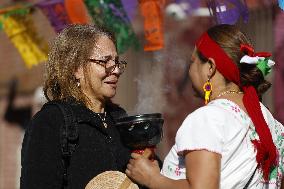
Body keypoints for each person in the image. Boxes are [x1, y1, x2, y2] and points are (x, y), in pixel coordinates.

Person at [125, 24, 284, 189]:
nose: (189, 70)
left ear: (210, 67)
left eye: (192, 62)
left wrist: (153, 179)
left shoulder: (208, 119)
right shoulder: (270, 122)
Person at [20, 24, 131, 189]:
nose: (115, 70)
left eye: (116, 62)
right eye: (105, 61)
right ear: (75, 68)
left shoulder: (120, 118)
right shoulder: (51, 122)